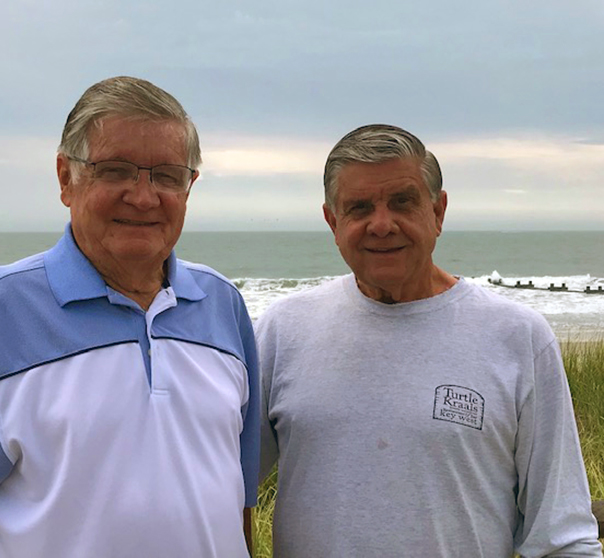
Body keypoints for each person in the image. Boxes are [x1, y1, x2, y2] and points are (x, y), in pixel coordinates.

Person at [0, 76, 259, 557]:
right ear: (65, 178)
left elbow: (237, 498)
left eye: (167, 175)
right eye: (116, 171)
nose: (143, 196)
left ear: (189, 187)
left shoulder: (222, 306)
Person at [257, 124, 602, 557]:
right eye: (359, 207)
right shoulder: (284, 329)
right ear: (332, 221)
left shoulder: (518, 337)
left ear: (438, 212)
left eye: (403, 202)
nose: (381, 225)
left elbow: (562, 533)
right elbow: (222, 486)